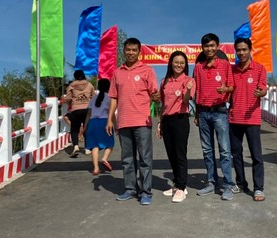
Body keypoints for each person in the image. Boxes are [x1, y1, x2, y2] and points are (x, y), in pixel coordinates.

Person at [106, 38, 160, 205]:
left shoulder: (147, 70)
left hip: (142, 121)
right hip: (123, 121)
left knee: (145, 158)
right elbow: (113, 97)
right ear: (124, 51)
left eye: (134, 50)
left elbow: (155, 94)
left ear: (139, 52)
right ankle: (130, 189)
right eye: (128, 50)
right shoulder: (117, 72)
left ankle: (145, 191)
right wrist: (110, 119)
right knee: (127, 159)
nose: (130, 53)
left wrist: (156, 97)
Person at [193, 33, 235, 200]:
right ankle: (211, 182)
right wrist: (197, 113)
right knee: (207, 150)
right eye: (206, 46)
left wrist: (226, 89)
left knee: (224, 150)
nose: (209, 49)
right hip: (203, 113)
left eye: (212, 45)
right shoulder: (198, 67)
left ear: (217, 47)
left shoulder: (225, 65)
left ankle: (228, 185)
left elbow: (232, 86)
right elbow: (196, 91)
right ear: (202, 48)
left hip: (220, 112)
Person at [229, 37, 268, 201]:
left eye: (244, 49)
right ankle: (241, 183)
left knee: (256, 155)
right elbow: (228, 88)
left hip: (252, 119)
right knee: (236, 154)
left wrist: (261, 93)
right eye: (238, 50)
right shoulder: (232, 70)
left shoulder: (259, 68)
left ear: (250, 50)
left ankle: (258, 188)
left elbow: (264, 88)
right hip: (234, 118)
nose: (241, 53)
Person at [156, 50, 194, 203]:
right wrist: (160, 122)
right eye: (176, 62)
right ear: (171, 63)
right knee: (171, 153)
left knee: (180, 153)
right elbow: (163, 104)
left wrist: (189, 89)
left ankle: (182, 187)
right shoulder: (164, 81)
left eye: (182, 63)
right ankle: (177, 183)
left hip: (180, 119)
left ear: (185, 65)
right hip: (167, 120)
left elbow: (185, 100)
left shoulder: (188, 80)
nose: (179, 65)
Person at [83, 78, 115, 176]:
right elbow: (111, 113)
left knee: (94, 146)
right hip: (104, 122)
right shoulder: (109, 98)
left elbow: (89, 113)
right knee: (110, 143)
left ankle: (96, 168)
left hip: (92, 123)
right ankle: (105, 158)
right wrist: (116, 125)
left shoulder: (93, 98)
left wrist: (85, 126)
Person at [63, 70, 94, 157]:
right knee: (87, 128)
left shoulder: (71, 86)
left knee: (74, 129)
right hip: (87, 109)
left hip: (75, 110)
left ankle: (76, 146)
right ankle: (87, 148)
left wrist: (69, 101)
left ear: (75, 77)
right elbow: (93, 96)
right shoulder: (89, 85)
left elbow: (68, 98)